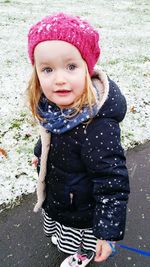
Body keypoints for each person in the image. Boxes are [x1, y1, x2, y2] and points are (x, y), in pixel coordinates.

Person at [27, 12, 130, 267]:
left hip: (82, 207)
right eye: (47, 69)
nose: (59, 79)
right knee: (61, 229)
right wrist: (39, 152)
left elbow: (111, 182)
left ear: (88, 67)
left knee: (79, 238)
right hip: (61, 193)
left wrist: (107, 233)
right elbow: (49, 134)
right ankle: (66, 240)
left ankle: (83, 253)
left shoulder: (98, 126)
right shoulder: (52, 106)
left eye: (71, 66)